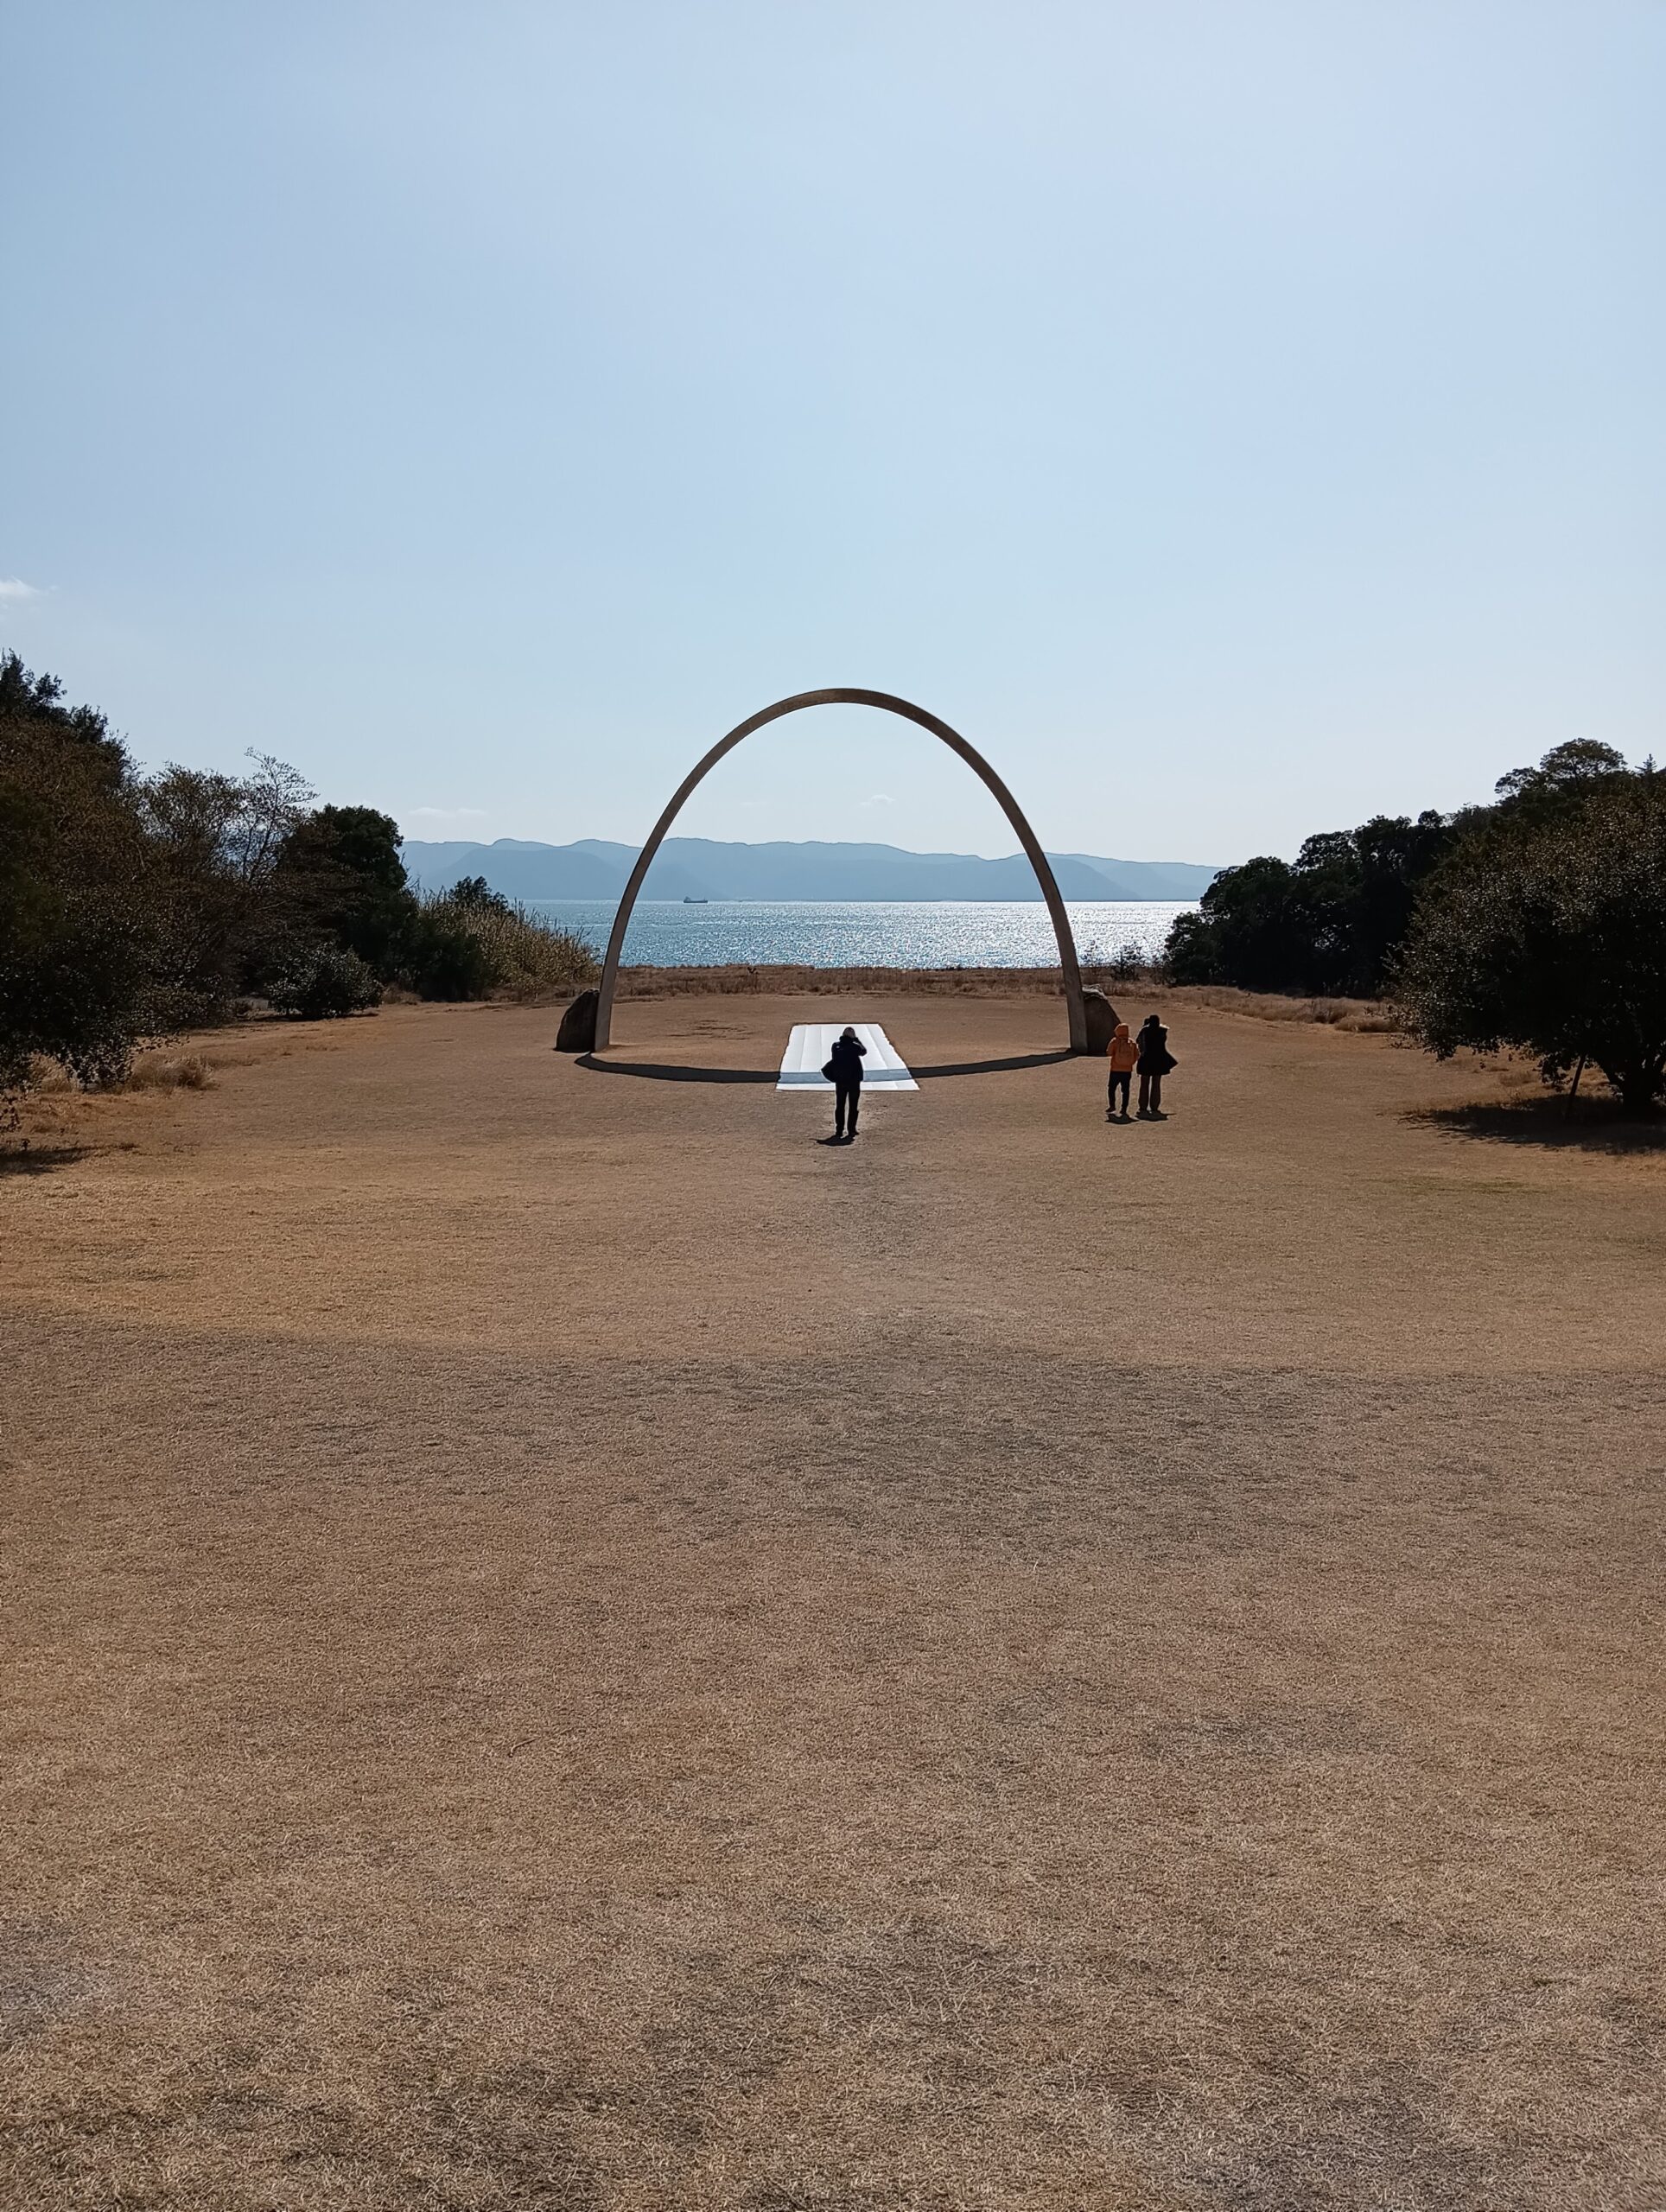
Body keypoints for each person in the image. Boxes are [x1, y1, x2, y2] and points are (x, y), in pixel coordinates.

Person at [828, 1025, 867, 1141]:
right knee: (853, 1106)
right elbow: (863, 1051)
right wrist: (856, 1039)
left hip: (841, 1080)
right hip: (854, 1081)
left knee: (840, 1105)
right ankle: (851, 1129)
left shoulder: (836, 1046)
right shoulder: (855, 1047)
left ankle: (839, 1129)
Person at [1136, 1013, 1173, 1118]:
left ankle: (1143, 1106)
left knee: (1144, 1084)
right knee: (1156, 1084)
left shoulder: (1144, 1031)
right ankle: (1154, 1106)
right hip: (1159, 1060)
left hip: (1146, 1060)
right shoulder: (1162, 1031)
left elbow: (1139, 1042)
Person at [1105, 1020, 1138, 1120]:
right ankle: (1124, 1109)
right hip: (1127, 1070)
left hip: (1115, 1069)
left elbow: (1109, 1052)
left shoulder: (1115, 1041)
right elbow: (1137, 1054)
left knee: (1112, 1088)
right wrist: (1131, 1062)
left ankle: (1112, 1106)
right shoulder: (1132, 1042)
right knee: (1125, 1090)